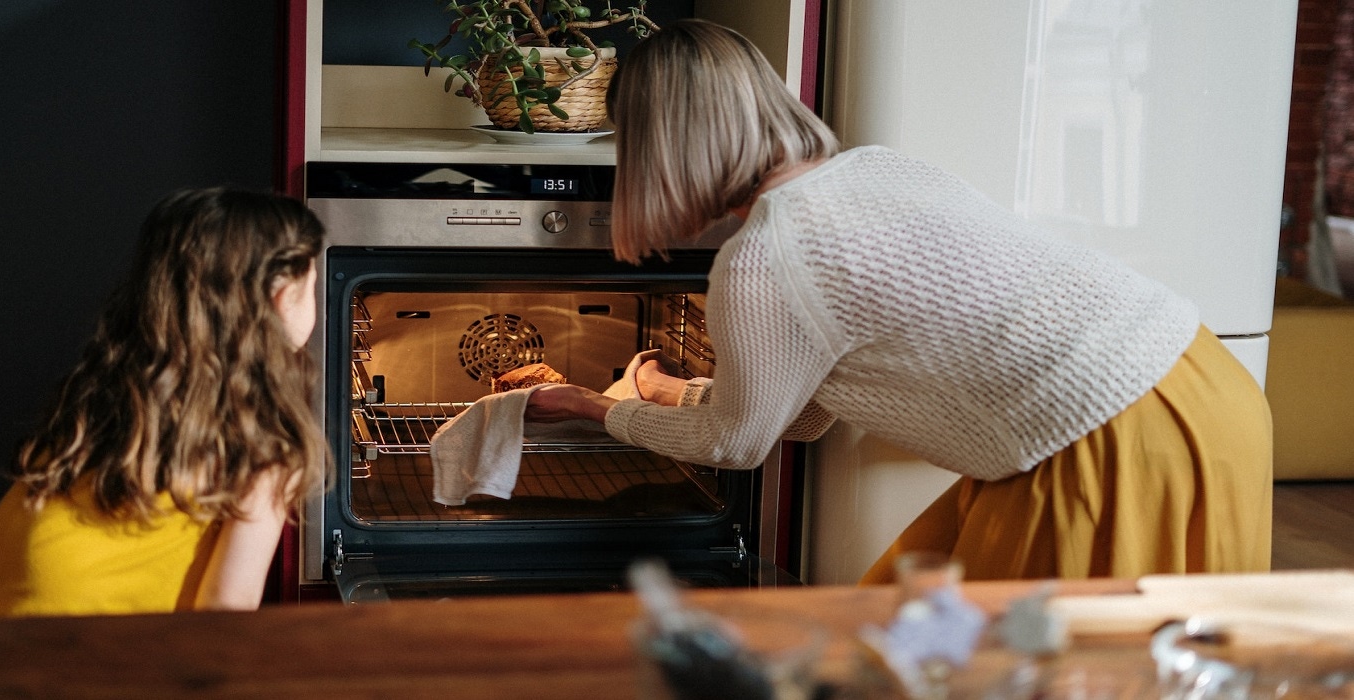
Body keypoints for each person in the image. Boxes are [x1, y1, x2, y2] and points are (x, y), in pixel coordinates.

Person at [524, 19, 1273, 583]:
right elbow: (807, 411)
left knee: (1039, 672)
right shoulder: (880, 169)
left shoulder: (760, 260)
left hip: (1106, 450)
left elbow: (738, 446)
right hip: (1205, 390)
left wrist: (599, 406)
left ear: (661, 143)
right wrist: (666, 390)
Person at [0, 187, 327, 698]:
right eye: (314, 280)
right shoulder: (264, 444)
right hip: (83, 674)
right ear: (282, 297)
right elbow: (225, 614)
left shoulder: (106, 391)